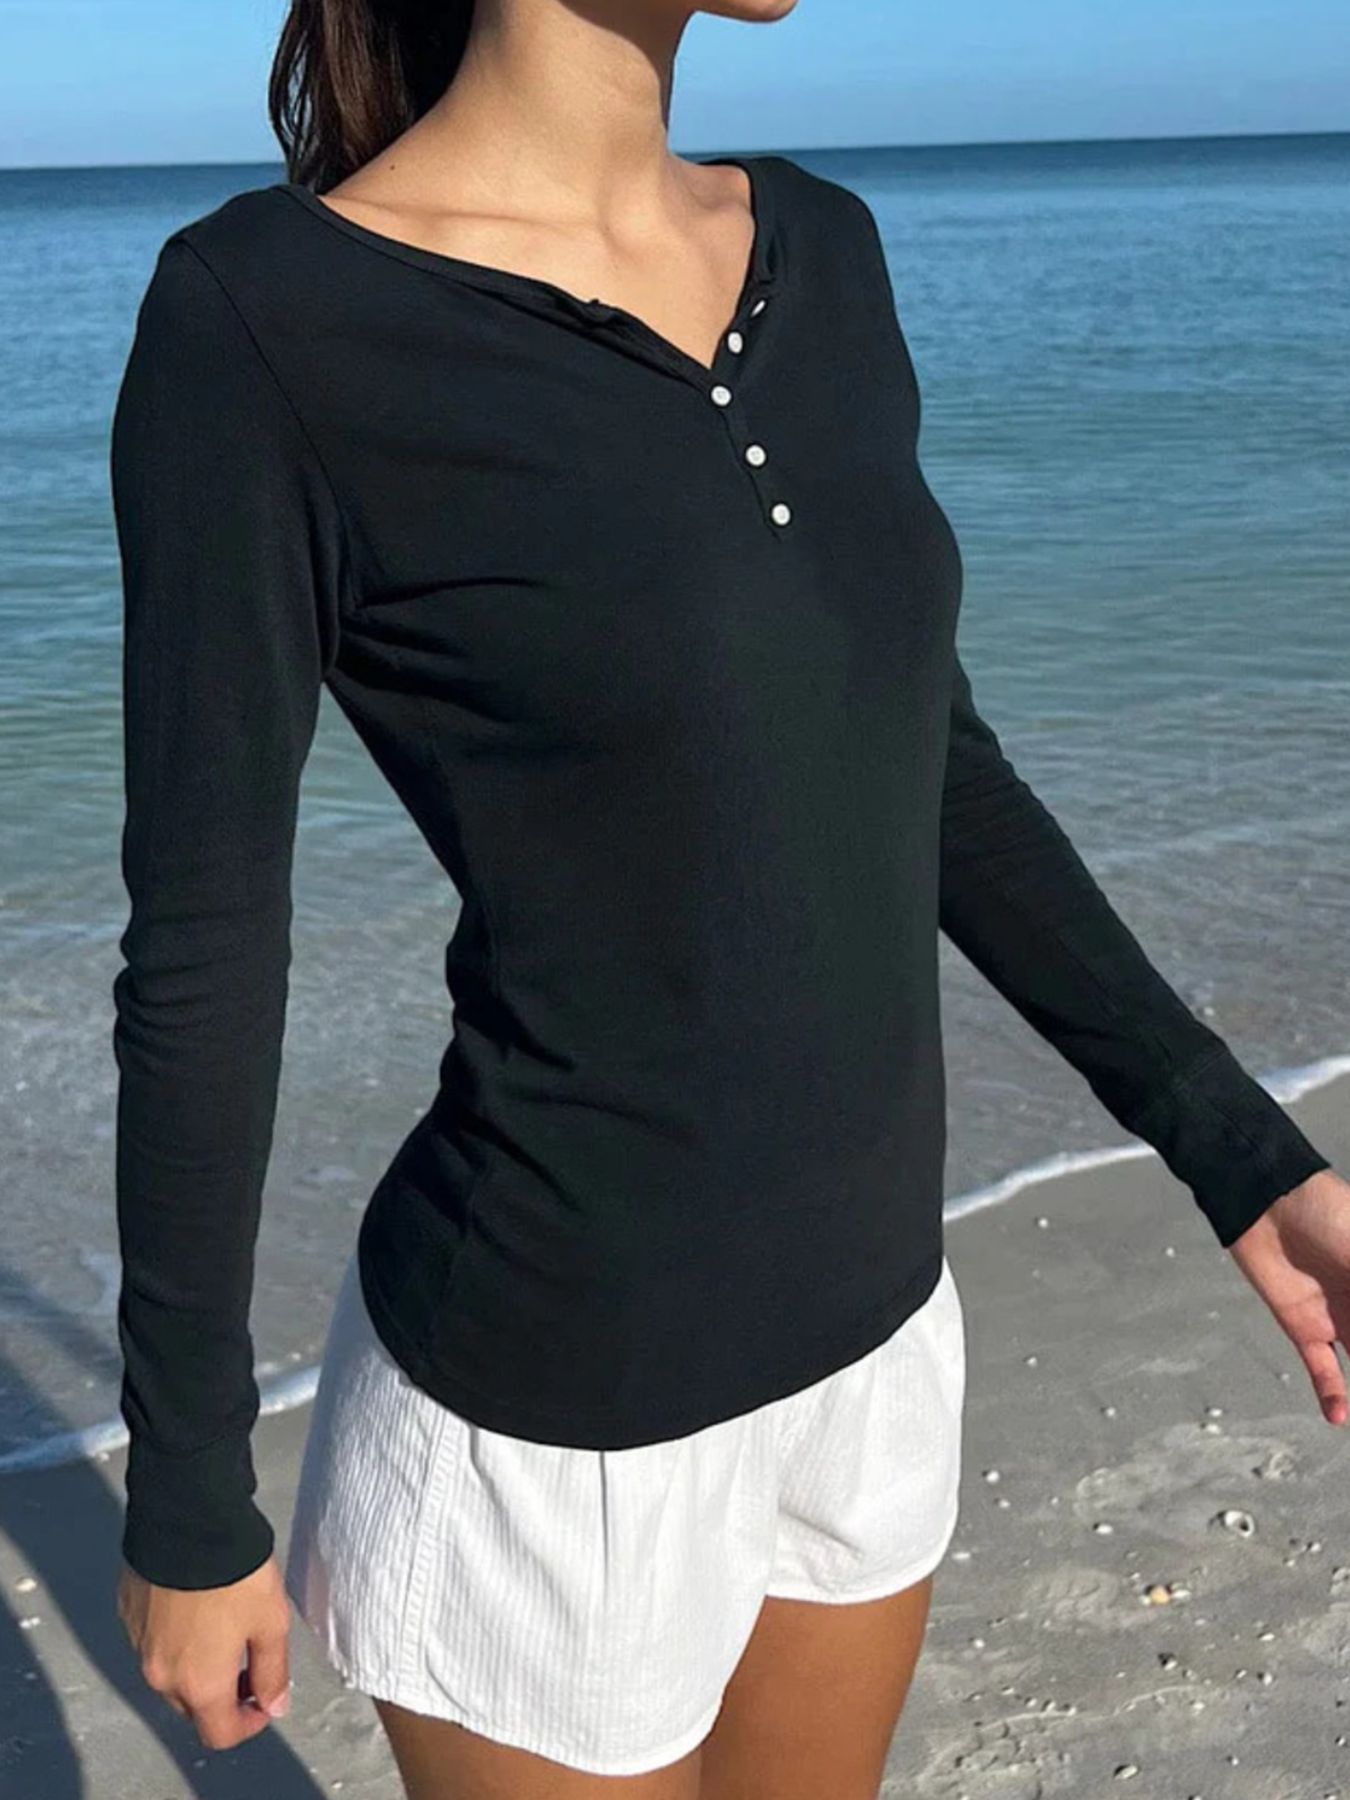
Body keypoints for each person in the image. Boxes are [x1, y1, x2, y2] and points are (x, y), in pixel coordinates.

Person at [108, 3, 1349, 1796]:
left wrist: (1241, 1156)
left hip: (876, 1339)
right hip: (551, 1411)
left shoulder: (822, 246)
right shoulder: (267, 317)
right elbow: (208, 945)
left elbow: (931, 775)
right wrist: (187, 1489)